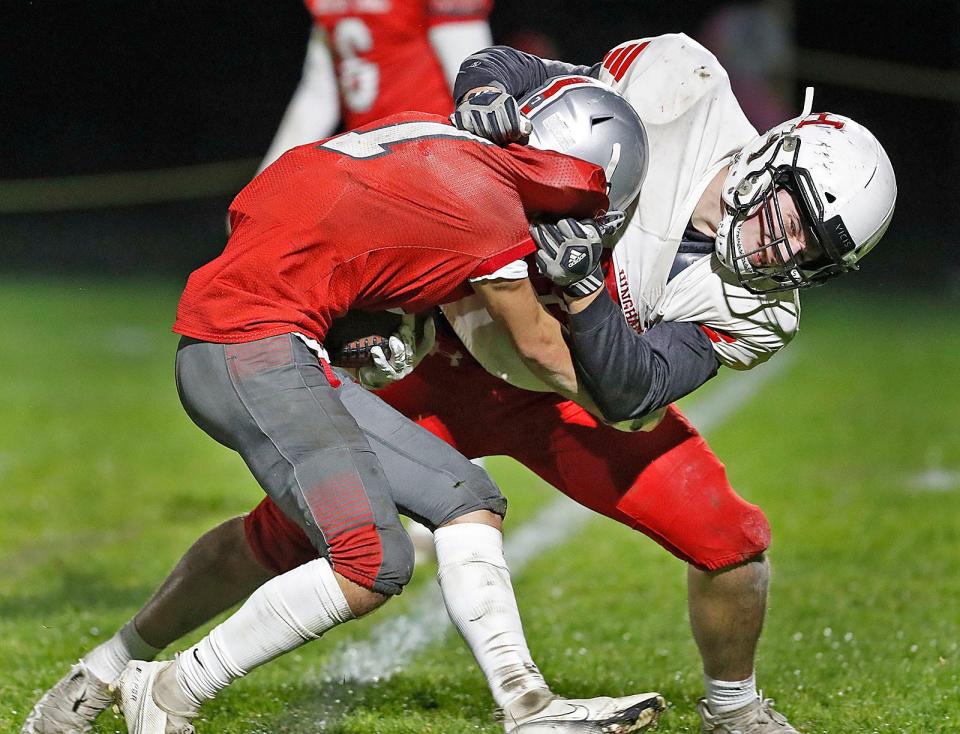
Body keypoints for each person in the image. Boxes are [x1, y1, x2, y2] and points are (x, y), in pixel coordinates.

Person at [24, 34, 898, 734]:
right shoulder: (683, 85)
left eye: (813, 255)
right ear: (775, 156)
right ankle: (109, 666)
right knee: (287, 532)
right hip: (457, 347)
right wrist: (487, 86)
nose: (785, 251)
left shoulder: (763, 311)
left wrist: (588, 289)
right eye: (792, 219)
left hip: (572, 402)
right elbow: (526, 77)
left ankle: (733, 705)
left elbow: (633, 393)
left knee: (731, 539)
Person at [23, 82, 665, 734]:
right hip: (257, 351)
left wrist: (344, 308)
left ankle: (529, 707)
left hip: (255, 340)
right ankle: (172, 689)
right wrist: (624, 402)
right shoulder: (488, 200)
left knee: (464, 496)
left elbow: (271, 202)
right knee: (373, 562)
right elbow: (537, 346)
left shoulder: (431, 138)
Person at [259, 0, 493, 172]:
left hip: (438, 153)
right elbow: (318, 96)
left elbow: (475, 80)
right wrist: (265, 183)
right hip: (370, 160)